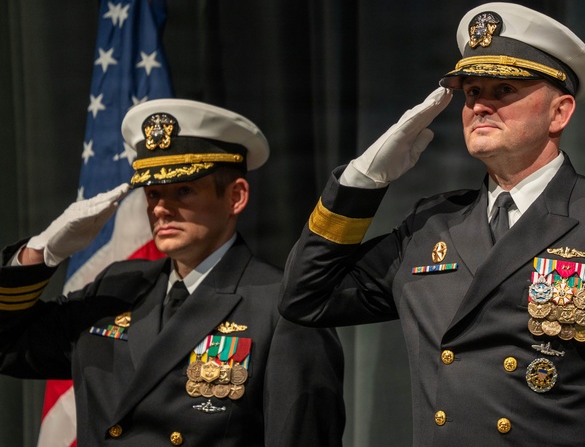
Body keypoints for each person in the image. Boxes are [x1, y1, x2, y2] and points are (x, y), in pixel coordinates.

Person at [279, 2, 585, 445]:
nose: (480, 105)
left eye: (503, 90)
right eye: (471, 92)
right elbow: (306, 297)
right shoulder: (431, 226)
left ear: (559, 112)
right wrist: (361, 182)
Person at [0, 99, 346, 446]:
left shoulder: (284, 307)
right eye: (153, 193)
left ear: (236, 197)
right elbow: (9, 347)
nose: (161, 209)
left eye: (184, 190)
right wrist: (40, 252)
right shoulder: (116, 287)